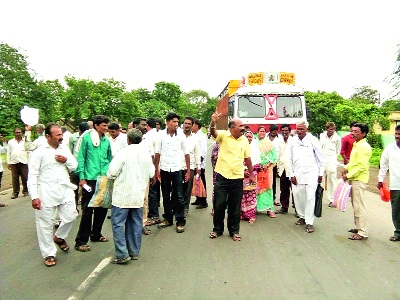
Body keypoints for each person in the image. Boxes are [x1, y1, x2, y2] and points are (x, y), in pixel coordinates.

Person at [28, 123, 78, 267]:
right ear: (48, 136)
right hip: (46, 191)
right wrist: (34, 196)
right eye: (58, 135)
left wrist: (66, 160)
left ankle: (59, 237)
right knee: (45, 224)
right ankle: (49, 253)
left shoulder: (64, 149)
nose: (61, 137)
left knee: (71, 216)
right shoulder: (39, 152)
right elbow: (32, 175)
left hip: (64, 189)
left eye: (62, 134)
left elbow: (75, 166)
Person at [107, 129, 155, 264]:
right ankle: (134, 252)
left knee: (118, 224)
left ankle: (122, 254)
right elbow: (151, 173)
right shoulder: (146, 154)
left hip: (122, 196)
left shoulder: (122, 153)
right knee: (135, 224)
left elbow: (111, 172)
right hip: (138, 196)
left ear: (128, 139)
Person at [209, 113, 254, 242]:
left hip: (237, 178)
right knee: (219, 204)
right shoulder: (224, 135)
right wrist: (213, 122)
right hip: (222, 177)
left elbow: (247, 157)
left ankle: (234, 231)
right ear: (232, 127)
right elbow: (213, 133)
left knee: (235, 206)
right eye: (241, 126)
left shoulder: (244, 140)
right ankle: (217, 229)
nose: (243, 128)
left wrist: (251, 174)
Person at [74, 115, 113, 252]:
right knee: (88, 209)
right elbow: (81, 158)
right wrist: (82, 177)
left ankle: (96, 234)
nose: (106, 128)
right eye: (104, 125)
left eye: (107, 126)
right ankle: (81, 241)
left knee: (102, 207)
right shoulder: (86, 138)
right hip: (89, 179)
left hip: (104, 178)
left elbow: (109, 158)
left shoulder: (106, 141)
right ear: (96, 126)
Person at [154, 112, 190, 233]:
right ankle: (168, 218)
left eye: (177, 122)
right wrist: (156, 170)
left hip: (177, 169)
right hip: (164, 169)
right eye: (174, 121)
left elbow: (186, 153)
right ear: (167, 122)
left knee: (179, 196)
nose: (176, 124)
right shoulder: (160, 135)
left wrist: (188, 171)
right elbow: (157, 153)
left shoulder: (181, 136)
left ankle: (180, 220)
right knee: (165, 195)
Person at [287, 120, 324, 233]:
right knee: (298, 196)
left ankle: (309, 222)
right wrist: (291, 174)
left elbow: (320, 158)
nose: (299, 131)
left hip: (311, 174)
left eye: (302, 129)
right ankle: (302, 216)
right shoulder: (292, 141)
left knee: (310, 197)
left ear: (307, 129)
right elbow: (288, 159)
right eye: (298, 128)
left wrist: (321, 173)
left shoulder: (312, 140)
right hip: (297, 175)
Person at [341, 123, 372, 240]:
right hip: (354, 178)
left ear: (363, 134)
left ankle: (362, 232)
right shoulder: (357, 144)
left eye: (356, 131)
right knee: (355, 204)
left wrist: (347, 175)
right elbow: (354, 162)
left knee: (359, 206)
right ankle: (358, 227)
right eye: (352, 131)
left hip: (359, 179)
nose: (352, 133)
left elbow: (362, 167)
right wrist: (346, 167)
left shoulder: (364, 147)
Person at [378, 125, 400, 242]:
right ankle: (398, 232)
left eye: (399, 134)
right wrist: (380, 180)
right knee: (396, 210)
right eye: (396, 134)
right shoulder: (390, 148)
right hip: (396, 184)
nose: (397, 136)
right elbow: (383, 165)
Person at [255, 126, 277, 218]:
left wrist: (267, 165)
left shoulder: (270, 144)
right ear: (257, 132)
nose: (262, 133)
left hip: (267, 170)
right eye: (260, 131)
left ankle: (269, 209)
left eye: (264, 131)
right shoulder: (253, 143)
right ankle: (253, 208)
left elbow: (274, 156)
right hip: (256, 169)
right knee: (254, 188)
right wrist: (257, 165)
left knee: (268, 188)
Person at [181, 117, 201, 215]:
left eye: (189, 124)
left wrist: (199, 167)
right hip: (178, 166)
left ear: (192, 125)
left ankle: (185, 208)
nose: (187, 125)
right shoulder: (178, 136)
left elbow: (197, 153)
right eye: (185, 123)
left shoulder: (195, 138)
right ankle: (177, 207)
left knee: (187, 189)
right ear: (183, 124)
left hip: (191, 167)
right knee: (178, 189)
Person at [144, 118, 162, 226]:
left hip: (153, 165)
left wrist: (153, 169)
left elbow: (150, 154)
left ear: (147, 125)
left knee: (152, 191)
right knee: (156, 189)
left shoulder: (147, 136)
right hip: (160, 165)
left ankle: (154, 214)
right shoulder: (159, 134)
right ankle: (156, 209)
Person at [240, 131, 261, 223]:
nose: (248, 138)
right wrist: (243, 170)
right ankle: (241, 214)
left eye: (250, 137)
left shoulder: (255, 149)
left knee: (251, 195)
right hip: (240, 175)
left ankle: (251, 215)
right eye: (247, 136)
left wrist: (250, 171)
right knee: (241, 195)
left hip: (252, 175)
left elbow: (257, 163)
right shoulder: (239, 147)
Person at [320, 122, 341, 207]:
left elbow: (338, 151)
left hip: (331, 160)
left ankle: (332, 199)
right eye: (330, 129)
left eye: (333, 129)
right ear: (327, 129)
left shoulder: (337, 138)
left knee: (332, 180)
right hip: (322, 160)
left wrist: (332, 159)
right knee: (319, 178)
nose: (332, 131)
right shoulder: (322, 136)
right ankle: (318, 197)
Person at [191, 119, 208, 209]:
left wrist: (199, 164)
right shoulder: (194, 135)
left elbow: (203, 151)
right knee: (196, 182)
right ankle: (198, 198)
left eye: (192, 125)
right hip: (195, 163)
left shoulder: (201, 136)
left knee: (201, 182)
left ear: (196, 126)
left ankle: (203, 201)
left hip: (200, 164)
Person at [7, 128, 29, 199]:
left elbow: (29, 151)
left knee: (25, 177)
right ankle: (15, 193)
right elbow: (8, 152)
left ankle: (25, 191)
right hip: (14, 162)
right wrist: (8, 162)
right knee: (15, 178)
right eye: (16, 132)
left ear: (21, 133)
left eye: (19, 132)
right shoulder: (11, 142)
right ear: (14, 133)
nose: (18, 134)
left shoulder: (25, 141)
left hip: (24, 161)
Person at [275, 124, 293, 214]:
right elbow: (277, 156)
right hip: (283, 168)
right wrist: (278, 169)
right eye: (283, 130)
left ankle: (298, 210)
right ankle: (284, 207)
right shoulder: (279, 142)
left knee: (295, 190)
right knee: (284, 189)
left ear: (289, 131)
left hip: (292, 169)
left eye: (286, 130)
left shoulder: (293, 141)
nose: (285, 132)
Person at [266, 124, 283, 206]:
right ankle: (266, 199)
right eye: (273, 131)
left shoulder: (280, 138)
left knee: (273, 182)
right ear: (270, 130)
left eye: (276, 130)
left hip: (276, 163)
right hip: (265, 163)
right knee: (266, 181)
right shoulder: (265, 137)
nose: (274, 132)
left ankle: (274, 199)